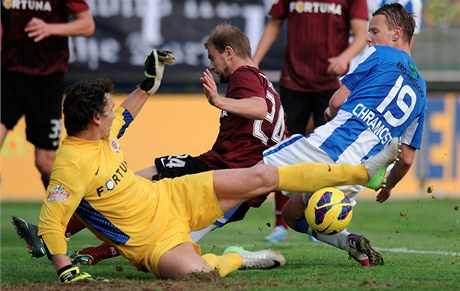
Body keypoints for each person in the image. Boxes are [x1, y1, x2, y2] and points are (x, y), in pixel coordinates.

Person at [11, 48, 398, 283]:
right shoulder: (71, 163)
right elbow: (51, 219)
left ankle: (366, 173)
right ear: (96, 119)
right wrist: (65, 269)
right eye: (108, 109)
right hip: (152, 243)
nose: (116, 112)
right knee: (199, 275)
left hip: (173, 197)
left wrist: (148, 84)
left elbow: (127, 114)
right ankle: (239, 258)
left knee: (263, 176)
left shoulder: (100, 134)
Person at [37, 23, 287, 265]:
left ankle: (236, 258)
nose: (211, 66)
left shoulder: (244, 75)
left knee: (147, 204)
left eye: (213, 58)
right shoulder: (264, 82)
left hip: (224, 172)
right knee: (165, 229)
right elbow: (275, 126)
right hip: (237, 179)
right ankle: (84, 247)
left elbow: (259, 109)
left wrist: (218, 101)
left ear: (229, 52)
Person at [262, 3, 427, 266]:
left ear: (396, 33)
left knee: (251, 172)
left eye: (374, 31)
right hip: (355, 175)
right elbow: (406, 158)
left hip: (329, 148)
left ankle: (189, 235)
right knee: (294, 214)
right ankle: (351, 242)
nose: (368, 38)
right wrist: (389, 185)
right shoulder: (421, 90)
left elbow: (337, 102)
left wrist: (329, 112)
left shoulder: (379, 55)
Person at [253, 0, 369, 242]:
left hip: (331, 86)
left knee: (327, 158)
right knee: (283, 152)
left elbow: (360, 34)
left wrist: (344, 57)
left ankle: (317, 219)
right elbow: (274, 23)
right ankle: (280, 225)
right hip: (293, 82)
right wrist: (254, 62)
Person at [1, 0, 95, 189]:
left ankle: (74, 215)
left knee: (45, 162)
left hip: (46, 80)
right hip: (7, 76)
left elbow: (87, 25)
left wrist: (50, 28)